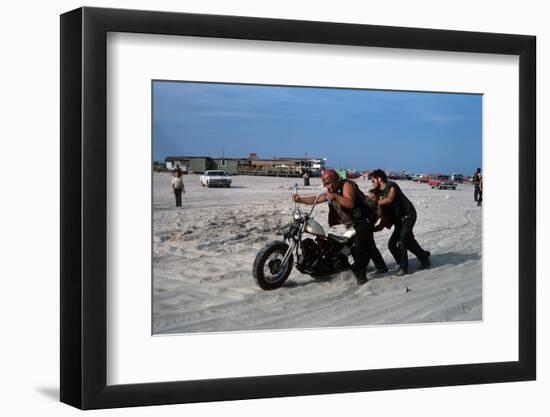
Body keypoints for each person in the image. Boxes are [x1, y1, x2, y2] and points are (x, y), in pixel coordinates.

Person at [292, 169, 387, 285]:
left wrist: (335, 196)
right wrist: (300, 199)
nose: (328, 186)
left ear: (335, 180)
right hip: (355, 221)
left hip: (365, 218)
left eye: (329, 183)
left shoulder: (346, 185)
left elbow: (350, 203)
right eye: (326, 184)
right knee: (369, 243)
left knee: (358, 247)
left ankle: (361, 276)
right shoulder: (331, 191)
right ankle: (381, 267)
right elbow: (316, 199)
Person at [370, 169, 430, 276]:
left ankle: (404, 268)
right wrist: (373, 226)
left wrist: (376, 203)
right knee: (395, 244)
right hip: (399, 220)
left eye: (373, 179)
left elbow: (390, 199)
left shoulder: (391, 185)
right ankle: (422, 257)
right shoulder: (378, 193)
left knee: (402, 240)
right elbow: (382, 214)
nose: (372, 182)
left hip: (409, 215)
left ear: (379, 178)